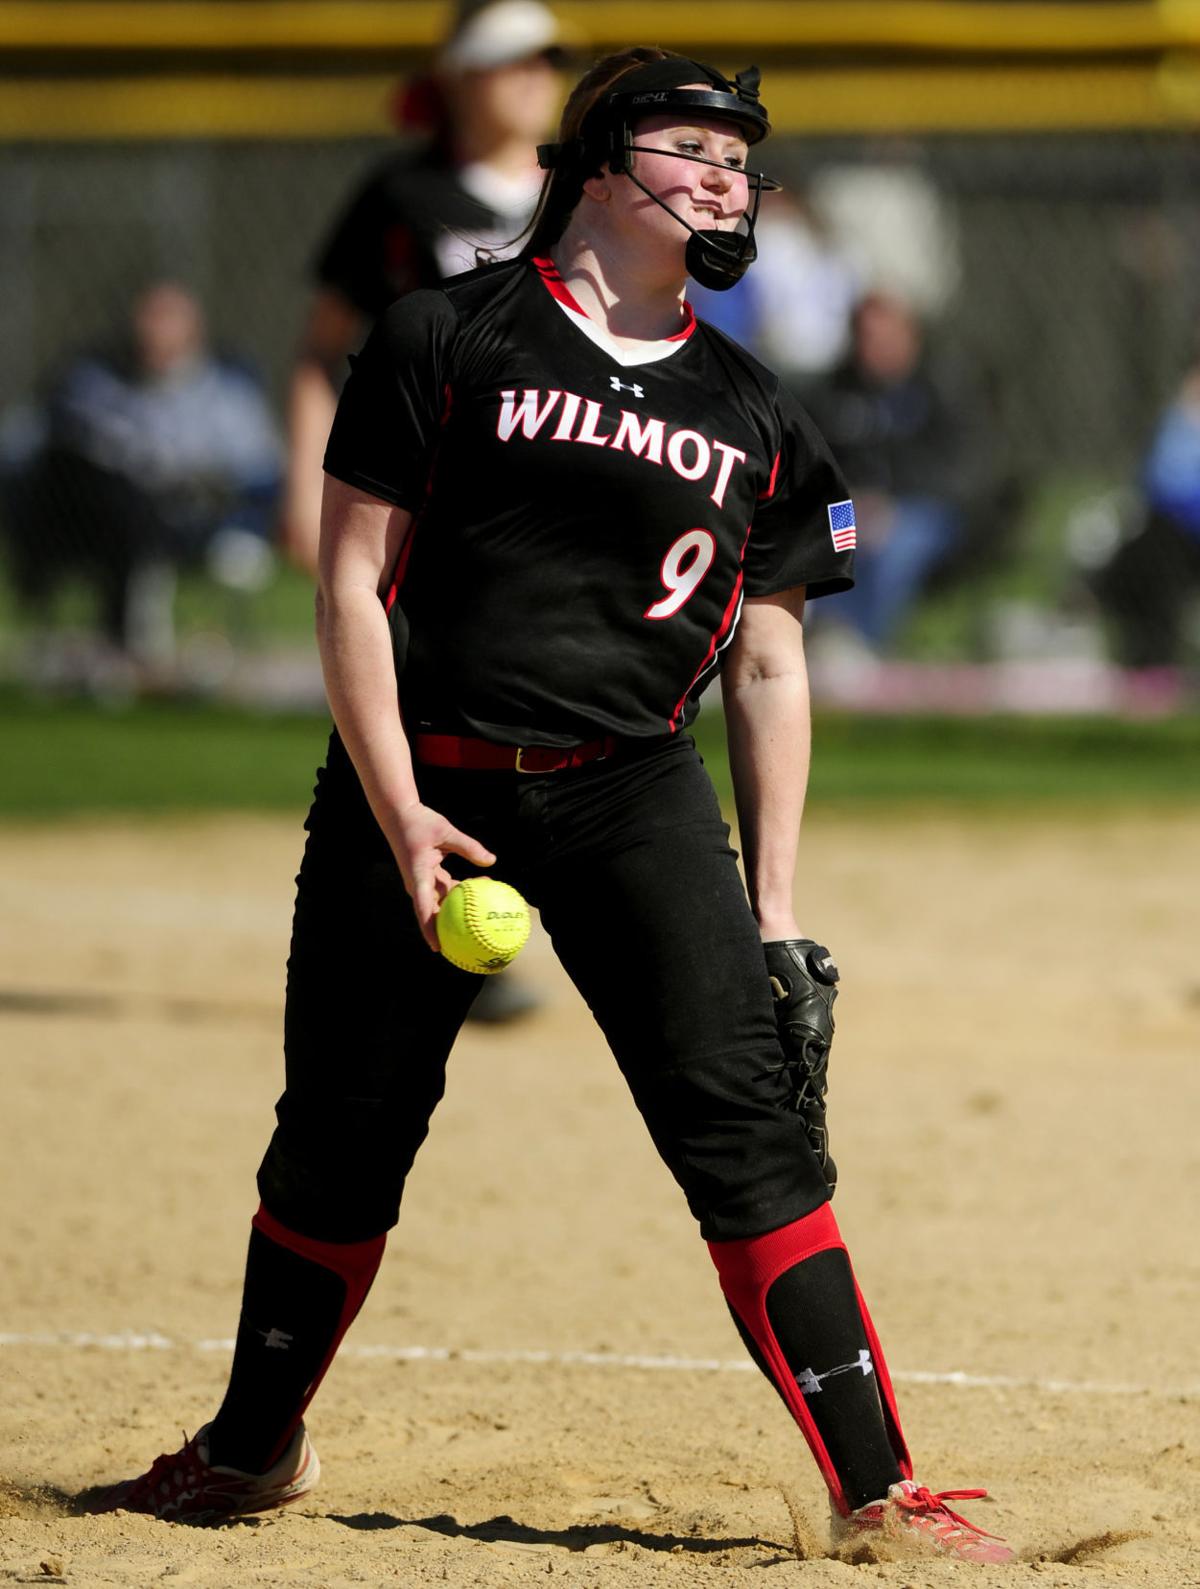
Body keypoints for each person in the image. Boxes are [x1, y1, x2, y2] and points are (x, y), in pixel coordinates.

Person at [88, 50, 1014, 1565]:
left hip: (632, 797)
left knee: (750, 1138)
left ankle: (879, 1488)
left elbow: (769, 661)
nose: (728, 175)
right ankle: (250, 1453)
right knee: (336, 1140)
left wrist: (776, 906)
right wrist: (396, 818)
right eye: (694, 146)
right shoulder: (446, 333)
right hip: (422, 792)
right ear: (597, 162)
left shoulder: (757, 408)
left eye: (744, 159)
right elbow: (348, 582)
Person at [282, 0, 565, 1021]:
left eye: (546, 57)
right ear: (457, 77)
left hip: (545, 502)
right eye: (509, 59)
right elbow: (323, 343)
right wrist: (302, 477)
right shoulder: (403, 193)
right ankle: (434, 916)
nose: (532, 74)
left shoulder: (583, 191)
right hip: (416, 492)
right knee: (413, 704)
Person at [1, 282, 281, 674]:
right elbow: (21, 445)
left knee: (133, 503)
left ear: (193, 330)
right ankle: (117, 644)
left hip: (191, 518)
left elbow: (259, 468)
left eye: (167, 320)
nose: (153, 331)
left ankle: (132, 644)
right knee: (92, 481)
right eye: (148, 318)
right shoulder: (96, 382)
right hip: (94, 516)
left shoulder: (224, 394)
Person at [805, 290, 990, 655]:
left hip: (924, 510)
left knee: (894, 545)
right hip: (852, 504)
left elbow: (964, 470)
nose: (876, 348)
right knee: (824, 536)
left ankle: (866, 646)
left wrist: (893, 502)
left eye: (886, 337)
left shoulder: (942, 389)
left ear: (910, 337)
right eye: (867, 337)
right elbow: (813, 463)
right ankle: (824, 636)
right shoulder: (835, 393)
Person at [1088, 360, 1200, 671]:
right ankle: (1149, 662)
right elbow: (1163, 479)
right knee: (1146, 549)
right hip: (1172, 532)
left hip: (1179, 534)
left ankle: (1152, 660)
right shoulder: (1182, 415)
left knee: (1156, 548)